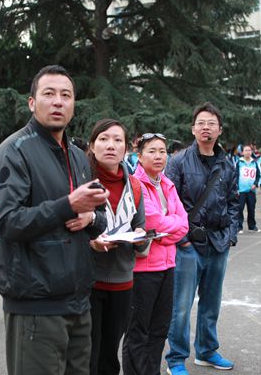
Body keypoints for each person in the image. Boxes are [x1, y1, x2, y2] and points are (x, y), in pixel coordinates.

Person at [0, 65, 108, 375]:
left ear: (73, 104)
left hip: (78, 300)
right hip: (36, 304)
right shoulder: (14, 151)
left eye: (66, 95)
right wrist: (67, 205)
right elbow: (9, 222)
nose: (58, 101)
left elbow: (97, 217)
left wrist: (92, 218)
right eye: (49, 94)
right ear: (32, 103)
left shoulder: (79, 156)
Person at [165, 103, 239, 375]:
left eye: (211, 123)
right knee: (181, 306)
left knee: (211, 303)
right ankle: (176, 359)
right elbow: (168, 202)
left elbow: (234, 202)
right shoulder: (178, 162)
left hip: (218, 243)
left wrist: (230, 235)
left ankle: (206, 351)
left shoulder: (227, 164)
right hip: (188, 245)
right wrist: (182, 239)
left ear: (220, 130)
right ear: (193, 129)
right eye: (201, 123)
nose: (206, 127)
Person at [122, 133, 188, 375]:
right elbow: (153, 222)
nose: (159, 156)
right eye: (152, 151)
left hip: (167, 266)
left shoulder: (167, 183)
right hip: (143, 270)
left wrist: (163, 231)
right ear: (139, 156)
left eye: (162, 151)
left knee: (160, 328)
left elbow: (184, 224)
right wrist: (168, 227)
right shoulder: (135, 184)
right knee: (138, 330)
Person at [85, 119, 147, 375]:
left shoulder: (135, 186)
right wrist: (90, 242)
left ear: (126, 148)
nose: (110, 145)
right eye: (103, 139)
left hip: (122, 281)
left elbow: (140, 227)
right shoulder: (80, 181)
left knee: (110, 354)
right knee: (87, 353)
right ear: (92, 145)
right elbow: (65, 227)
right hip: (87, 282)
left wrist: (141, 237)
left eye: (117, 140)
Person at [236, 145, 261, 233]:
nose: (248, 152)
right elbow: (235, 176)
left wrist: (255, 184)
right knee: (240, 209)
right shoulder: (239, 162)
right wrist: (236, 188)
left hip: (251, 190)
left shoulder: (254, 163)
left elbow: (258, 175)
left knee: (251, 209)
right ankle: (239, 226)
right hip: (241, 190)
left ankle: (252, 226)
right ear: (242, 152)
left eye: (249, 150)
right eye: (246, 150)